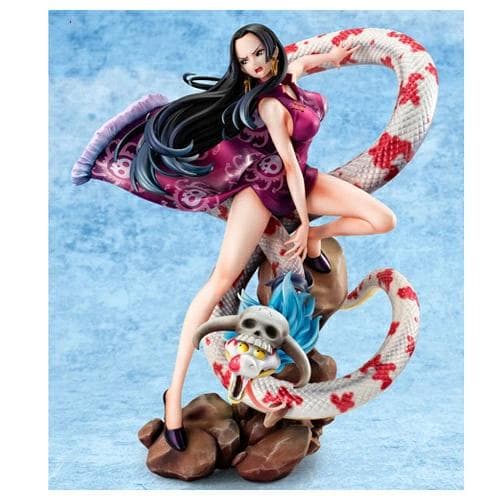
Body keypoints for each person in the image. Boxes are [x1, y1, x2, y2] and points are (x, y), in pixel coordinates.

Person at [73, 23, 396, 451]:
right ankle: (174, 394)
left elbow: (309, 63)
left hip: (303, 180)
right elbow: (288, 164)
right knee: (221, 281)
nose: (254, 65)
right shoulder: (268, 104)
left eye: (258, 53)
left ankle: (320, 237)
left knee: (382, 219)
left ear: (273, 50)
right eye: (244, 60)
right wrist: (300, 222)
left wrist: (336, 57)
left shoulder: (290, 76)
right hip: (264, 188)